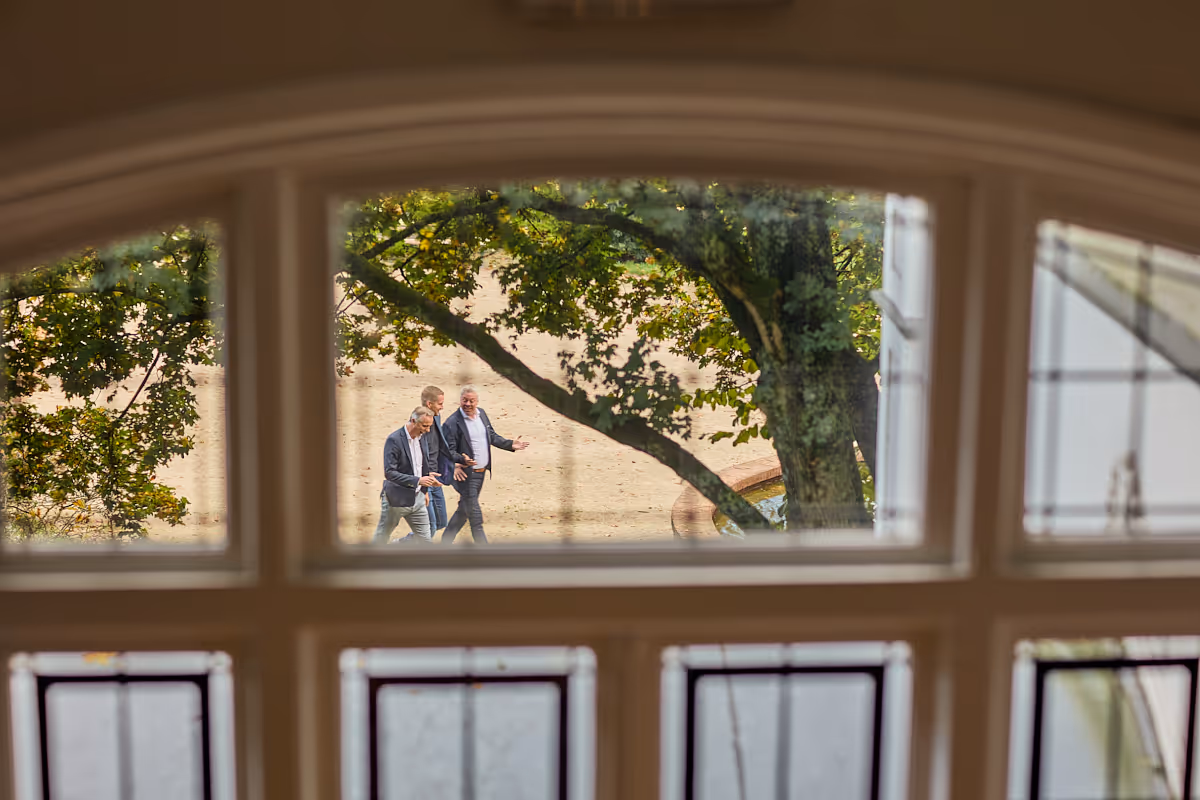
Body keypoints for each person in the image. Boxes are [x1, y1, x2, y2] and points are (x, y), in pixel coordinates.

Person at [441, 385, 530, 544]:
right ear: (460, 400)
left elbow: (491, 436)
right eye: (464, 400)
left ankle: (444, 543)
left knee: (464, 511)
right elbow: (446, 450)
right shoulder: (452, 423)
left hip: (480, 474)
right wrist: (456, 464)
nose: (468, 404)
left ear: (477, 401)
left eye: (471, 401)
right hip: (465, 476)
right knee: (475, 517)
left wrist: (510, 444)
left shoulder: (482, 415)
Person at [372, 407, 442, 544]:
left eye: (430, 426)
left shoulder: (422, 438)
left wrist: (425, 490)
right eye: (425, 426)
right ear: (413, 421)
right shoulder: (394, 440)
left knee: (425, 541)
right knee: (381, 537)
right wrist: (418, 480)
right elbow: (390, 473)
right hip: (396, 501)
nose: (428, 430)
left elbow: (421, 465)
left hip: (418, 499)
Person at [418, 385, 453, 535]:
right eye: (440, 404)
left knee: (441, 522)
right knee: (429, 528)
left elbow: (441, 446)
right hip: (425, 478)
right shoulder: (419, 424)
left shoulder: (436, 417)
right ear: (429, 404)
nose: (442, 407)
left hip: (436, 478)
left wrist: (457, 460)